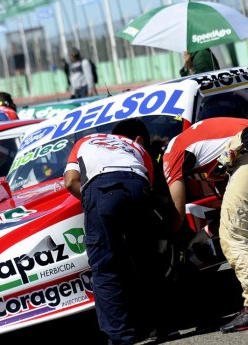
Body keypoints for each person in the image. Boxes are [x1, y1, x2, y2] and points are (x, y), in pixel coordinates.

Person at [162, 117, 248, 333]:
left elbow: (178, 208)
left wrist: (170, 236)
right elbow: (227, 202)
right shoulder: (201, 142)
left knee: (233, 234)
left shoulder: (171, 152)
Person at [64, 119, 171, 344]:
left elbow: (71, 181)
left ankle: (121, 338)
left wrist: (97, 204)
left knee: (105, 268)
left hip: (102, 189)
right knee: (147, 261)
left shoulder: (84, 141)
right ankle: (163, 327)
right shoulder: (137, 147)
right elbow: (147, 185)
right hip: (138, 187)